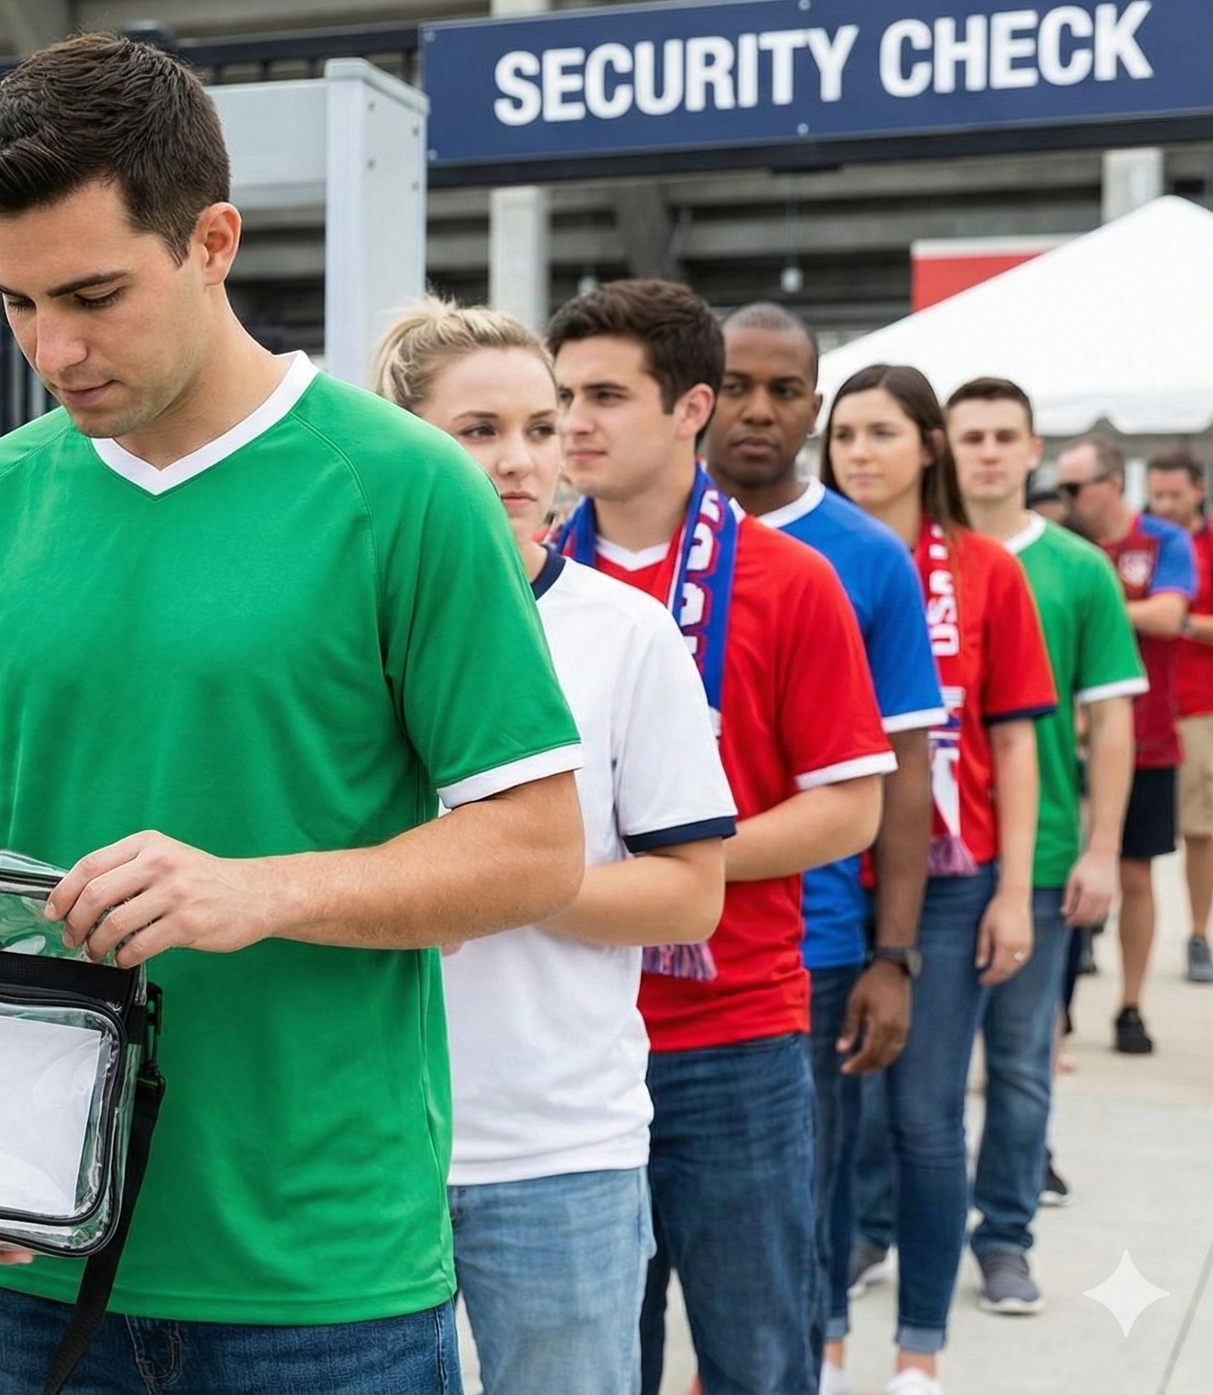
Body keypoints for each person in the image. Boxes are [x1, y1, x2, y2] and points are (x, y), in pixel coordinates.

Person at [0, 35, 588, 1395]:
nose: (52, 348)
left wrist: (256, 889)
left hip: (319, 1277)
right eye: (15, 302)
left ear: (213, 240)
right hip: (30, 1240)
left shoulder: (409, 488)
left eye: (91, 294)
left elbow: (537, 847)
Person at [376, 299, 735, 1395]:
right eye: (478, 430)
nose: (523, 459)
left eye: (542, 426)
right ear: (401, 442)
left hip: (555, 1150)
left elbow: (689, 898)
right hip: (359, 1145)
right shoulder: (332, 625)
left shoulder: (624, 634)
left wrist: (500, 871)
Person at [548, 279, 892, 1395]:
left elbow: (848, 805)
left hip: (734, 1033)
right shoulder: (520, 582)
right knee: (597, 1365)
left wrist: (674, 864)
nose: (572, 425)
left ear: (688, 408)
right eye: (562, 398)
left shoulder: (793, 581)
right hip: (566, 1040)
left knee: (755, 1357)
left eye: (605, 394)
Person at [704, 302, 944, 1387]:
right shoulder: (614, 540)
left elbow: (900, 778)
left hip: (809, 947)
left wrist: (893, 955)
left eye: (784, 389)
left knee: (787, 1237)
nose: (759, 410)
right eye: (738, 385)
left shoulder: (864, 559)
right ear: (698, 395)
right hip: (615, 946)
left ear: (814, 403)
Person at [825, 364, 1053, 1395]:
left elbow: (1012, 745)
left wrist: (1013, 891)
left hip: (954, 878)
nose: (858, 453)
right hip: (828, 868)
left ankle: (918, 1348)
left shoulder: (985, 570)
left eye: (881, 433)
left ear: (929, 446)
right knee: (828, 1120)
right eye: (843, 434)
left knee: (921, 1118)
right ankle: (820, 1330)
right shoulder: (804, 556)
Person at [940, 373, 1144, 1313]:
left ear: (1032, 452)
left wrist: (1103, 849)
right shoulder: (916, 556)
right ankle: (874, 1226)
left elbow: (1110, 723)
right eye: (969, 434)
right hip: (933, 857)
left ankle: (1006, 1237)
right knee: (914, 1070)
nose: (986, 451)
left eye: (1002, 436)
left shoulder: (1077, 569)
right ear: (946, 446)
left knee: (1023, 1063)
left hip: (1049, 851)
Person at [1054, 436, 1195, 1052]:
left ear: (1112, 484)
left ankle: (1131, 1005)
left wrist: (1095, 604)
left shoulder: (1161, 540)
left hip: (1145, 735)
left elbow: (1170, 615)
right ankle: (1053, 1013)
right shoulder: (1064, 544)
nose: (1063, 500)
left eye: (1073, 488)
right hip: (1064, 737)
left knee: (1135, 873)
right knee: (1054, 874)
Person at [1141, 450, 1213, 984]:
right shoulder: (1142, 539)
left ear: (1199, 490)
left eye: (1175, 494)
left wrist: (1181, 621)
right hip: (1143, 708)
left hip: (1196, 707)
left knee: (1196, 827)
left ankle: (1198, 932)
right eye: (1157, 494)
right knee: (1130, 839)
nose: (1165, 505)